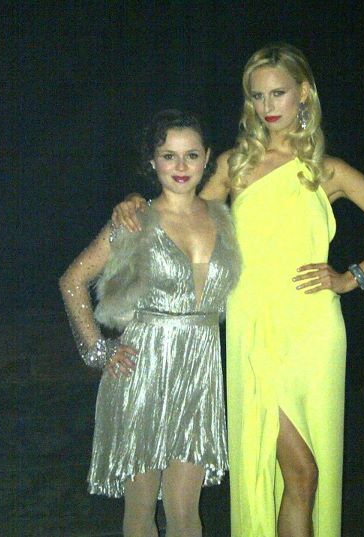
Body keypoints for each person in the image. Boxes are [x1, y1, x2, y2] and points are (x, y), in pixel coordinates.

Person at [112, 43, 364, 537]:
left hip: (315, 328)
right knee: (302, 470)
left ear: (304, 93)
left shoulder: (329, 171)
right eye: (257, 96)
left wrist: (350, 277)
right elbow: (178, 212)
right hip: (254, 324)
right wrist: (135, 201)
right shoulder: (235, 165)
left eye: (278, 93)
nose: (268, 106)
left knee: (306, 475)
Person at [59, 109, 241, 537]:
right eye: (168, 155)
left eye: (191, 155)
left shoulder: (225, 218)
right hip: (143, 369)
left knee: (185, 512)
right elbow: (72, 280)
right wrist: (98, 351)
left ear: (207, 158)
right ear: (152, 161)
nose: (180, 166)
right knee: (140, 510)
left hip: (199, 372)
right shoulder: (135, 219)